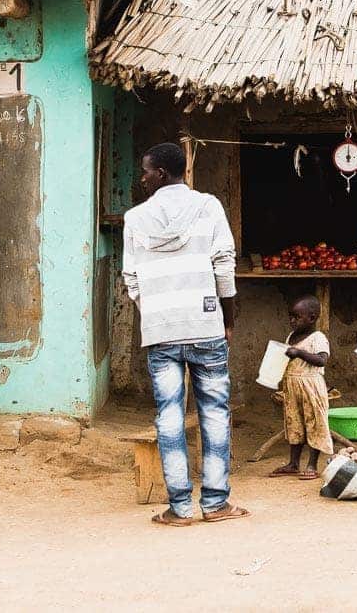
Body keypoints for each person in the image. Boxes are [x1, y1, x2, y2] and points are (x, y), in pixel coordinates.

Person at [123, 142, 250, 526]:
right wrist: (226, 320)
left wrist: (158, 315)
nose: (142, 178)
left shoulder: (134, 218)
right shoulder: (208, 206)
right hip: (206, 325)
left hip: (161, 332)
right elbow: (224, 268)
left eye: (146, 171)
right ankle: (215, 503)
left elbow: (132, 280)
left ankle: (180, 508)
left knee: (169, 416)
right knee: (214, 412)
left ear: (161, 174)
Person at [269, 295, 332, 480]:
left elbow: (321, 360)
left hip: (310, 385)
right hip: (293, 384)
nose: (292, 321)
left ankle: (312, 464)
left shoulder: (318, 337)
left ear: (311, 318)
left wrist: (300, 353)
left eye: (297, 317)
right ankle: (293, 463)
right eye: (291, 316)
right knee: (294, 423)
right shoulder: (291, 336)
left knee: (314, 423)